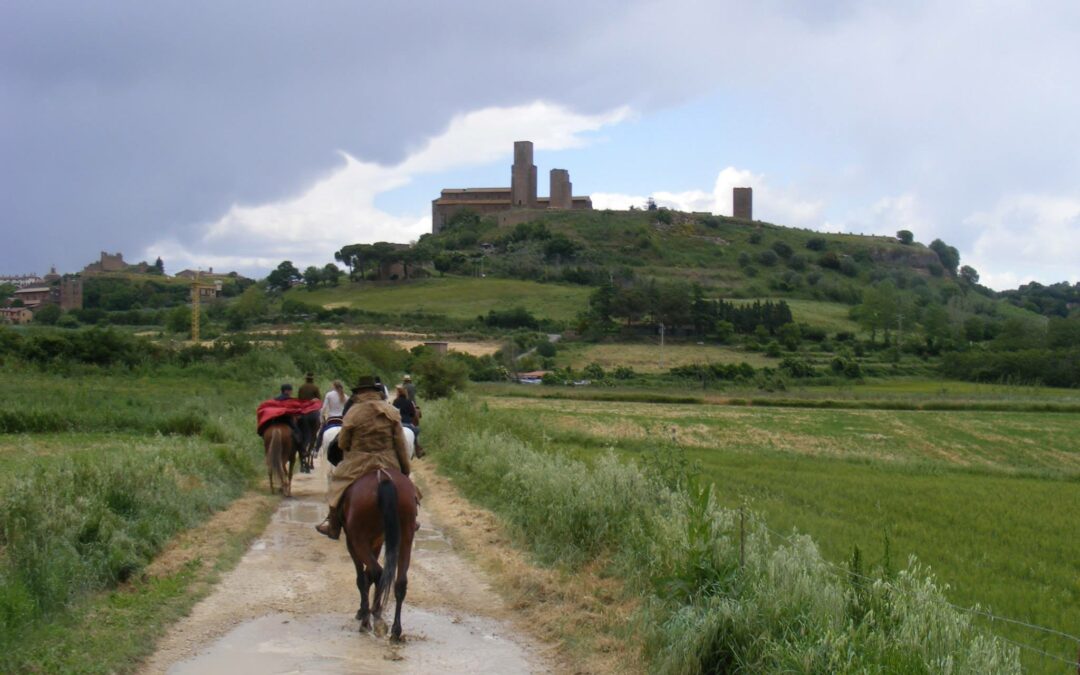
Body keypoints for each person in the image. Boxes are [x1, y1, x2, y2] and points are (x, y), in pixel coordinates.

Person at [316, 375, 412, 539]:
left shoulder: (353, 412)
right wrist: (405, 469)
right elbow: (401, 444)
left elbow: (343, 443)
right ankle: (411, 520)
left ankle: (333, 525)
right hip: (389, 461)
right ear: (377, 391)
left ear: (359, 392)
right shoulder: (391, 411)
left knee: (337, 485)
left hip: (359, 462)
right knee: (409, 489)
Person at [392, 384, 424, 458]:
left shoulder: (395, 402)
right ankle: (418, 450)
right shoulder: (409, 402)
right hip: (408, 424)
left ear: (398, 393)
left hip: (398, 424)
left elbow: (393, 413)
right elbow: (413, 414)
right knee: (416, 432)